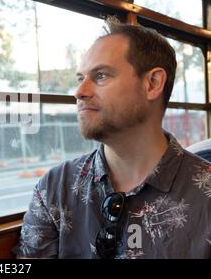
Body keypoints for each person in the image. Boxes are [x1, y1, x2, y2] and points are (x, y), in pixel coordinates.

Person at [13, 17, 211, 259]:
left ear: (153, 83)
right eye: (80, 78)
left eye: (101, 76)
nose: (80, 92)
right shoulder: (55, 188)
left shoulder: (206, 193)